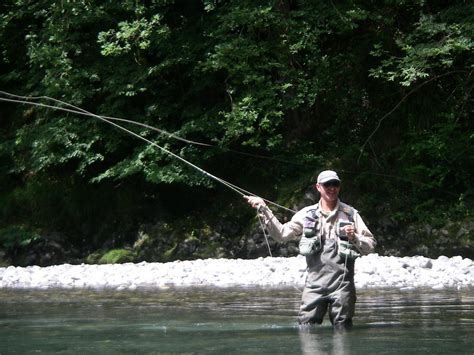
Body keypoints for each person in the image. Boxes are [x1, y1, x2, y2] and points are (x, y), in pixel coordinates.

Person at [245, 170, 376, 329]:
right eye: (327, 184)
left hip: (343, 287)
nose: (332, 188)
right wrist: (263, 208)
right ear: (318, 187)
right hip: (314, 286)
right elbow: (282, 235)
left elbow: (370, 244)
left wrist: (354, 237)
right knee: (306, 329)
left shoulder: (350, 214)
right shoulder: (306, 214)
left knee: (343, 330)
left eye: (335, 184)